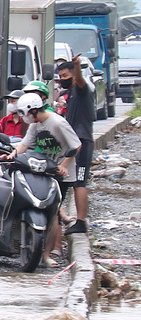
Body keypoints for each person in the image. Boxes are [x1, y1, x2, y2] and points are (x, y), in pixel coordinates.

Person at [12, 93, 82, 266]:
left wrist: (64, 165)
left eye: (24, 112)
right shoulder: (36, 125)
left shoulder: (57, 122)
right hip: (43, 171)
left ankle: (46, 255)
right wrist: (11, 156)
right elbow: (24, 145)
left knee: (53, 213)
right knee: (40, 207)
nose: (23, 117)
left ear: (32, 110)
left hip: (61, 175)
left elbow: (76, 145)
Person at [54, 56, 94, 238]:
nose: (62, 79)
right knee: (65, 181)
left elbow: (80, 80)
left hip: (82, 142)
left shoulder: (81, 90)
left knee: (79, 181)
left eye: (65, 75)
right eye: (60, 76)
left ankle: (81, 221)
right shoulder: (69, 95)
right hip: (71, 143)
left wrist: (77, 67)